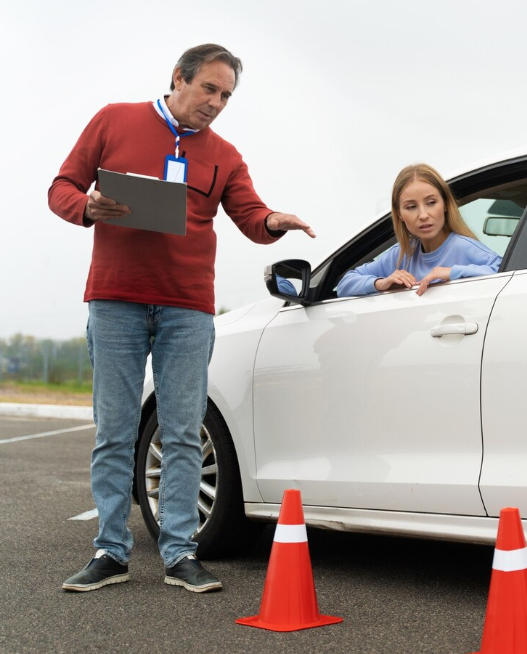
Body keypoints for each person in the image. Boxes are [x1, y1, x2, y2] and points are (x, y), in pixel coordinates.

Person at [48, 44, 315, 594]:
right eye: (209, 89)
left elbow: (250, 215)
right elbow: (61, 189)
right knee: (116, 431)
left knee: (183, 433)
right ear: (179, 79)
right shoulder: (114, 119)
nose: (216, 103)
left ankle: (179, 553)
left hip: (187, 308)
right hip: (116, 300)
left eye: (226, 96)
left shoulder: (225, 154)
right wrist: (88, 207)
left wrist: (274, 221)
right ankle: (110, 551)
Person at [337, 163, 501, 297]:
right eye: (411, 207)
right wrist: (381, 283)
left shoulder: (464, 247)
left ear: (445, 204)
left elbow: (507, 271)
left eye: (431, 203)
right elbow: (344, 284)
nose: (423, 215)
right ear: (400, 214)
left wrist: (451, 272)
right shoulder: (401, 254)